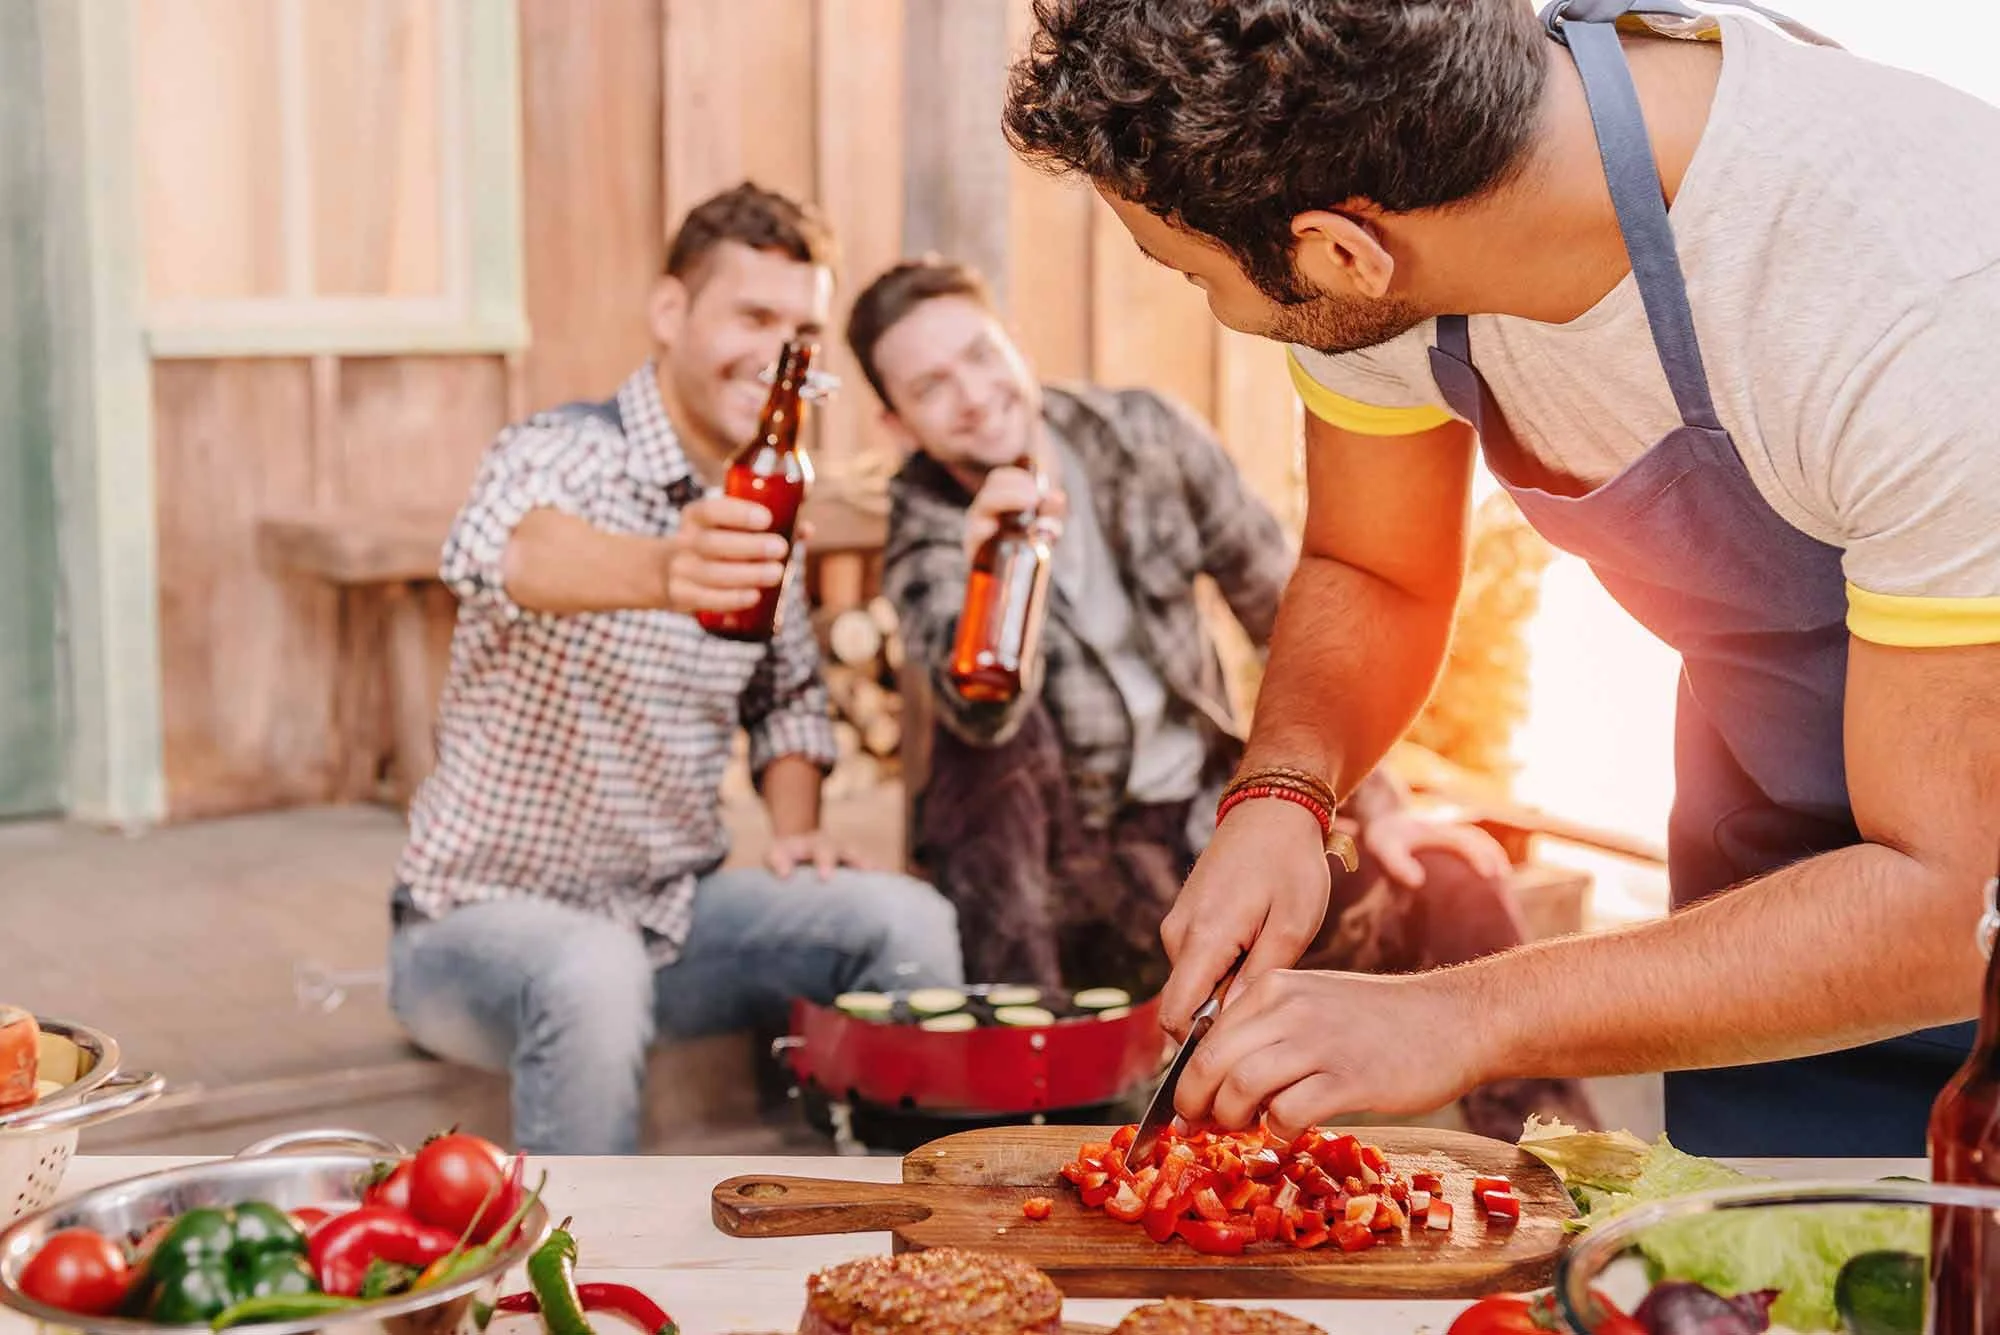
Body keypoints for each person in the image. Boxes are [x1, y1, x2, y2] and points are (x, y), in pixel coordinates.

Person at [1002, 0, 2000, 1157]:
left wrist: (1456, 1012)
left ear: (1339, 251)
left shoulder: (1915, 303)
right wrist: (1282, 792)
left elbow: (1951, 902)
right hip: (1760, 844)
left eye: (1184, 276)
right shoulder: (1398, 183)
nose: (1217, 313)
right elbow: (1369, 567)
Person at [854, 256, 1595, 1138]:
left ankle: (1564, 1177)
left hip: (1215, 833)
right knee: (987, 763)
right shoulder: (926, 526)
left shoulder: (1143, 436)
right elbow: (982, 711)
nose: (972, 396)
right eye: (933, 388)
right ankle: (1029, 1116)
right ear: (896, 424)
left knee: (1452, 880)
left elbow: (1294, 601)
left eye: (979, 356)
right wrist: (993, 576)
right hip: (1061, 877)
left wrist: (1375, 799)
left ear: (1013, 343)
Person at [387, 184, 963, 1155]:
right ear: (669, 313)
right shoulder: (558, 453)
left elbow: (785, 697)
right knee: (590, 968)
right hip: (472, 935)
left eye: (801, 326)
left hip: (672, 922)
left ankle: (907, 1234)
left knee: (903, 918)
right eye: (752, 314)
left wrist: (794, 831)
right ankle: (578, 1271)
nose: (780, 347)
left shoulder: (763, 498)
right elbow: (505, 550)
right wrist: (664, 569)